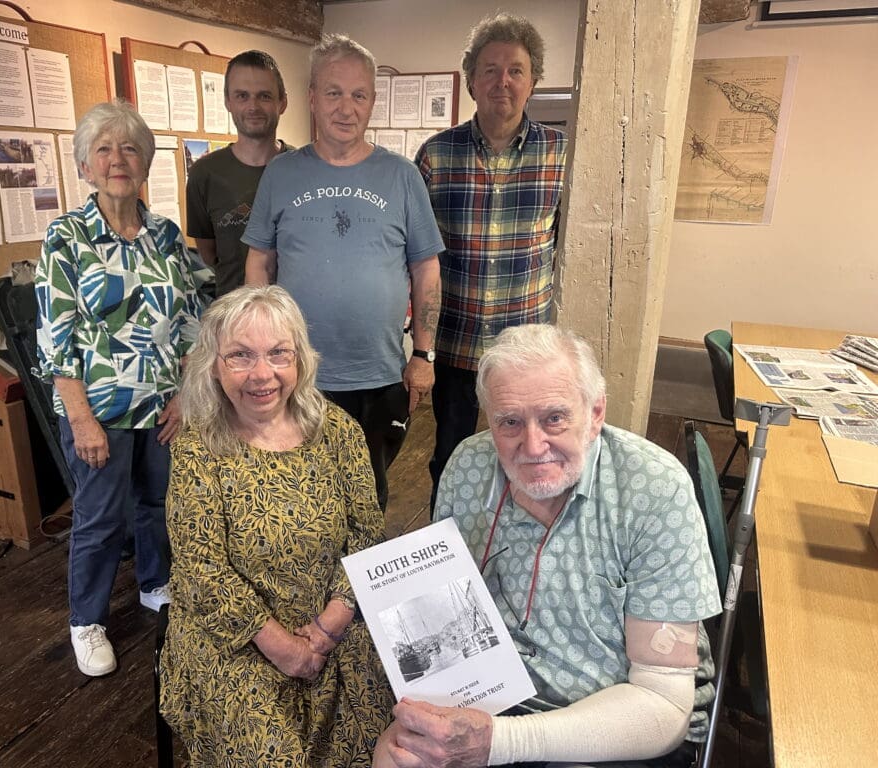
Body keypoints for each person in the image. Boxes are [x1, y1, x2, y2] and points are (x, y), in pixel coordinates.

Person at [374, 324, 722, 768]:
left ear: (595, 413)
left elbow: (663, 704)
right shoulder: (467, 467)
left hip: (619, 725)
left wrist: (500, 742)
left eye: (554, 418)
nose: (533, 446)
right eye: (510, 422)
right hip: (491, 702)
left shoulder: (653, 489)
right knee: (395, 756)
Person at [159, 284, 394, 766]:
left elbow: (367, 535)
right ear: (214, 365)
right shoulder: (198, 446)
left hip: (334, 618)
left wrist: (329, 625)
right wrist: (285, 648)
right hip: (236, 633)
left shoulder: (338, 430)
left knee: (389, 738)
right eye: (240, 356)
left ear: (300, 359)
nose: (262, 374)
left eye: (278, 353)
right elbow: (201, 569)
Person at [36, 100, 206, 677]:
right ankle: (86, 620)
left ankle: (156, 585)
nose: (117, 160)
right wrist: (80, 419)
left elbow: (191, 323)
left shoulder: (165, 235)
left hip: (161, 404)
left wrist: (185, 395)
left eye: (130, 149)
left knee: (158, 505)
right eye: (104, 149)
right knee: (101, 518)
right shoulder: (66, 237)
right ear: (85, 166)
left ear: (146, 164)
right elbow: (56, 339)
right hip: (99, 409)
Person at [243, 34, 444, 511]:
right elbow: (259, 261)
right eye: (334, 92)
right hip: (297, 373)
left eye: (359, 95)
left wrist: (424, 354)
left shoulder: (402, 176)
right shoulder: (281, 173)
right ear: (312, 97)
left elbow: (426, 268)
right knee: (295, 496)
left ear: (372, 101)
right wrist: (259, 348)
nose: (346, 108)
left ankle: (360, 565)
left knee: (368, 495)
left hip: (379, 373)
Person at [415, 14, 567, 509]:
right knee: (449, 456)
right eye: (490, 70)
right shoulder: (436, 156)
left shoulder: (562, 154)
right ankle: (446, 540)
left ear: (533, 81)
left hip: (526, 349)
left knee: (529, 456)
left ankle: (521, 540)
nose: (503, 81)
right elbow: (417, 254)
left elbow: (569, 246)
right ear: (471, 81)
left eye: (516, 70)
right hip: (455, 344)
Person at [186, 50, 292, 297]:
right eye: (242, 96)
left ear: (282, 102)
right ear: (228, 101)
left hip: (294, 310)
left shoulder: (303, 170)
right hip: (232, 311)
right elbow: (208, 254)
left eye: (264, 96)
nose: (253, 106)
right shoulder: (204, 174)